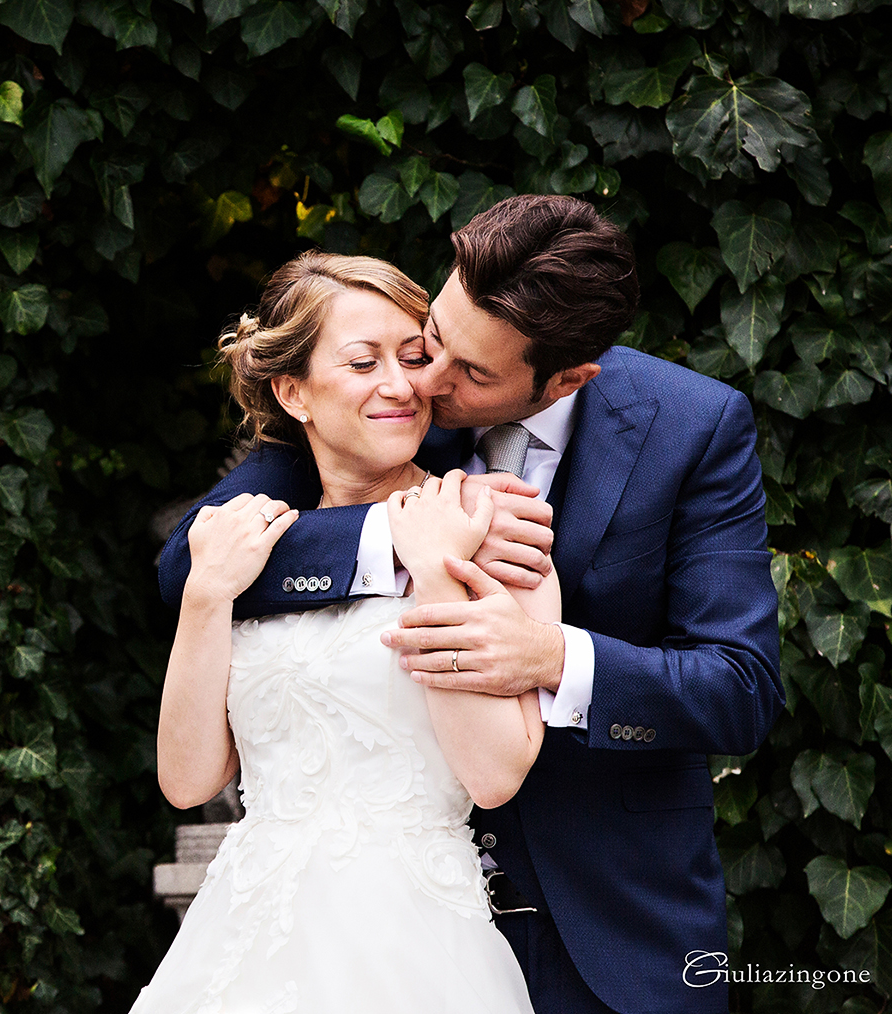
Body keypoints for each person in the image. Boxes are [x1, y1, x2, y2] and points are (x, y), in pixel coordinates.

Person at [156, 195, 783, 1014]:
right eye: (434, 340)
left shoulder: (691, 426)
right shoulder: (380, 393)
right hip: (296, 930)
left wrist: (552, 656)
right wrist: (397, 535)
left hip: (602, 914)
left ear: (567, 379)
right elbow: (193, 558)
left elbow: (738, 688)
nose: (423, 382)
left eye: (470, 372)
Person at [132, 253, 548, 1013]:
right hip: (242, 939)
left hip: (412, 947)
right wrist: (206, 597)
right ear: (293, 392)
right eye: (363, 363)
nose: (401, 385)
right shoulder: (248, 547)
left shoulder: (487, 527)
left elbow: (494, 776)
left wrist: (436, 576)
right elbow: (188, 781)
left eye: (414, 358)